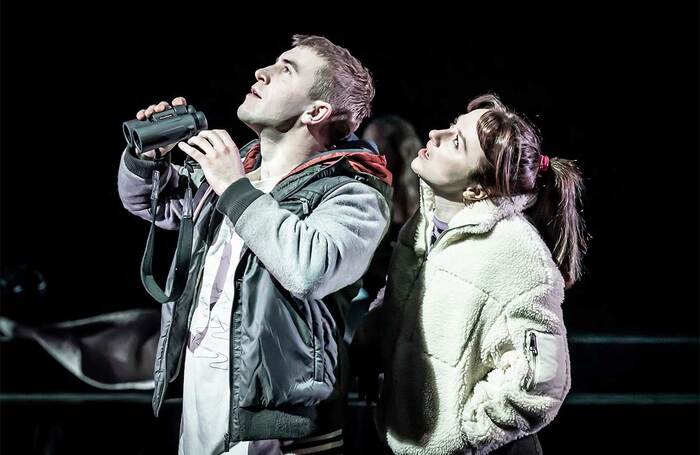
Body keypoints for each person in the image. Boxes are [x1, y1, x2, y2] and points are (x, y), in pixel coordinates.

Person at [118, 35, 392, 454]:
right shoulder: (236, 171)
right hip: (204, 403)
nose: (261, 73)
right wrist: (148, 160)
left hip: (275, 426)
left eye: (286, 69)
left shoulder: (352, 194)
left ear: (316, 111)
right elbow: (150, 204)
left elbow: (309, 268)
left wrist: (232, 185)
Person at [353, 94, 587, 454]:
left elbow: (543, 382)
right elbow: (405, 298)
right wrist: (371, 342)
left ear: (477, 189)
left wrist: (468, 433)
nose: (434, 133)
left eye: (456, 141)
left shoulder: (516, 252)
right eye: (450, 126)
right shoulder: (424, 224)